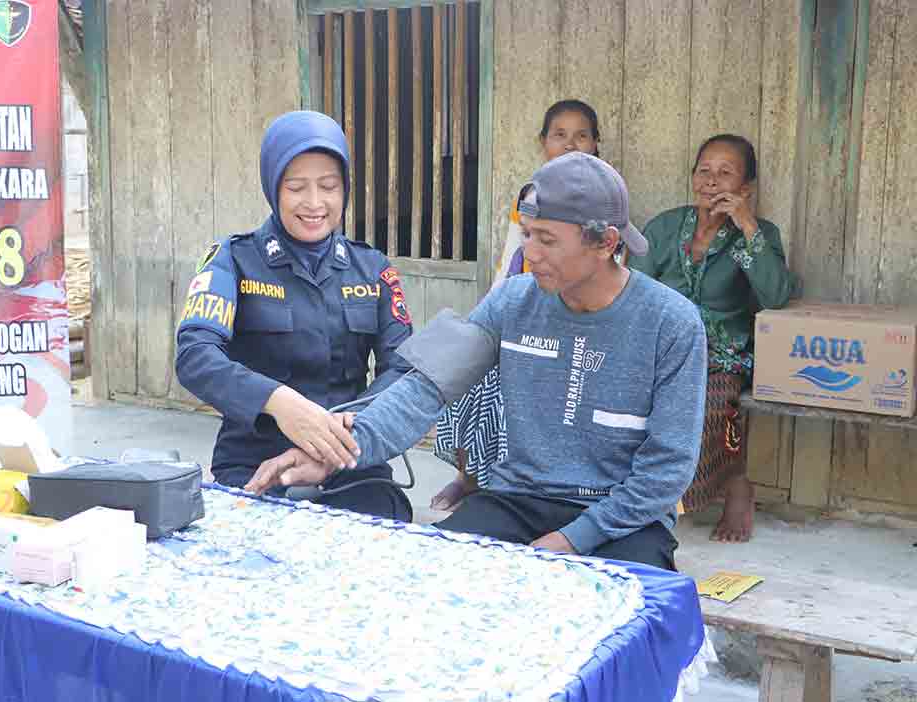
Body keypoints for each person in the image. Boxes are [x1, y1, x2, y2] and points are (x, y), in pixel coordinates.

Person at [246, 152, 707, 570]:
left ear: (606, 242)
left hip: (623, 520)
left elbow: (667, 471)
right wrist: (332, 454)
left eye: (547, 239)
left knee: (623, 615)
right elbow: (424, 389)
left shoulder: (672, 323)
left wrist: (571, 541)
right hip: (518, 500)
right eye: (528, 235)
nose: (530, 252)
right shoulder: (511, 301)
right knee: (429, 577)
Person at [175, 110, 414, 521]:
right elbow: (195, 355)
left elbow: (404, 369)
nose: (315, 203)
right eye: (296, 187)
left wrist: (347, 429)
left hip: (350, 461)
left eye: (329, 186)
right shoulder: (233, 260)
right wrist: (279, 403)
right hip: (255, 465)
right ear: (273, 188)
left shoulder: (372, 268)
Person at [431, 99, 603, 511]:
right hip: (523, 313)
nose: (570, 144)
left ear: (596, 144)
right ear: (542, 142)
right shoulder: (529, 196)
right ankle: (470, 475)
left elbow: (610, 278)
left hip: (575, 326)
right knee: (471, 376)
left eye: (581, 135)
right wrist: (487, 325)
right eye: (559, 135)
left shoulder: (605, 198)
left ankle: (512, 486)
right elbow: (511, 263)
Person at [630, 134, 797, 543]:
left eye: (726, 173)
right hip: (661, 345)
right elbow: (633, 291)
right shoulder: (666, 228)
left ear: (746, 188)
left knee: (705, 401)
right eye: (704, 170)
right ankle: (632, 494)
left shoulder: (758, 234)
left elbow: (776, 295)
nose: (711, 181)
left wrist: (747, 225)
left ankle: (734, 483)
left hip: (722, 353)